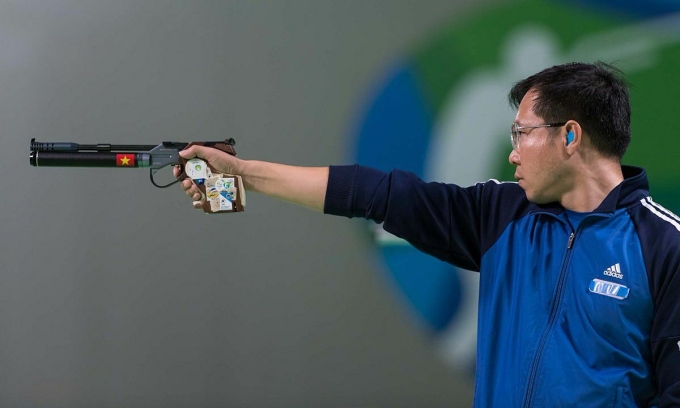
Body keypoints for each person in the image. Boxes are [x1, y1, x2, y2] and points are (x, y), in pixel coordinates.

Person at [173, 62, 680, 407]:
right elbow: (372, 192)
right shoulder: (500, 214)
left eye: (521, 133)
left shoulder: (665, 246)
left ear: (569, 135)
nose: (513, 153)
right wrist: (244, 173)